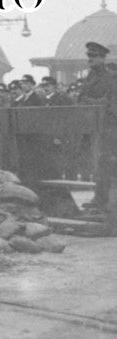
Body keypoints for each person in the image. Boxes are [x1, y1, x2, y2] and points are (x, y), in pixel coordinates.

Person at [78, 41, 117, 214]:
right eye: (89, 57)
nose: (90, 60)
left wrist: (91, 102)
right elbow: (81, 97)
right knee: (97, 164)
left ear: (102, 58)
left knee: (104, 163)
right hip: (92, 126)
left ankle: (103, 199)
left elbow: (110, 103)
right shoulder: (89, 77)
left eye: (93, 57)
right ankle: (99, 198)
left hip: (107, 126)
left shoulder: (110, 78)